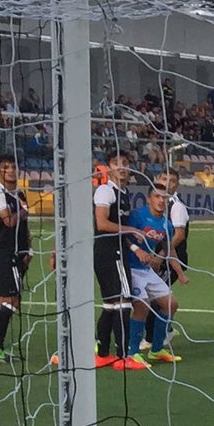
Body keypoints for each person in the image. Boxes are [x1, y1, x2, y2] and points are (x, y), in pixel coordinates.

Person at [121, 183, 182, 367]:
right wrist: (137, 250)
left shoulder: (166, 224)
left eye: (164, 197)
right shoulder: (137, 216)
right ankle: (133, 353)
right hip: (131, 268)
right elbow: (123, 236)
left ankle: (156, 350)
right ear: (149, 199)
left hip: (147, 271)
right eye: (157, 197)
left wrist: (180, 272)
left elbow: (169, 248)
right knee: (142, 306)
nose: (161, 201)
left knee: (171, 304)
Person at [0, 154, 31, 361]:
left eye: (13, 167)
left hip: (19, 253)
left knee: (6, 299)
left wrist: (29, 250)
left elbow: (24, 227)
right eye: (6, 167)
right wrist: (23, 211)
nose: (11, 170)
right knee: (13, 298)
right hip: (4, 253)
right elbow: (9, 222)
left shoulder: (19, 193)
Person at [90, 150, 133, 366]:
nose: (122, 167)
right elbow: (102, 224)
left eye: (125, 163)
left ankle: (103, 352)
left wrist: (134, 245)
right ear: (109, 167)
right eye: (117, 163)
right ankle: (123, 356)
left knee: (110, 304)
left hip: (111, 251)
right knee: (124, 299)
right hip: (110, 251)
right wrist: (130, 229)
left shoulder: (124, 193)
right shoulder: (106, 191)